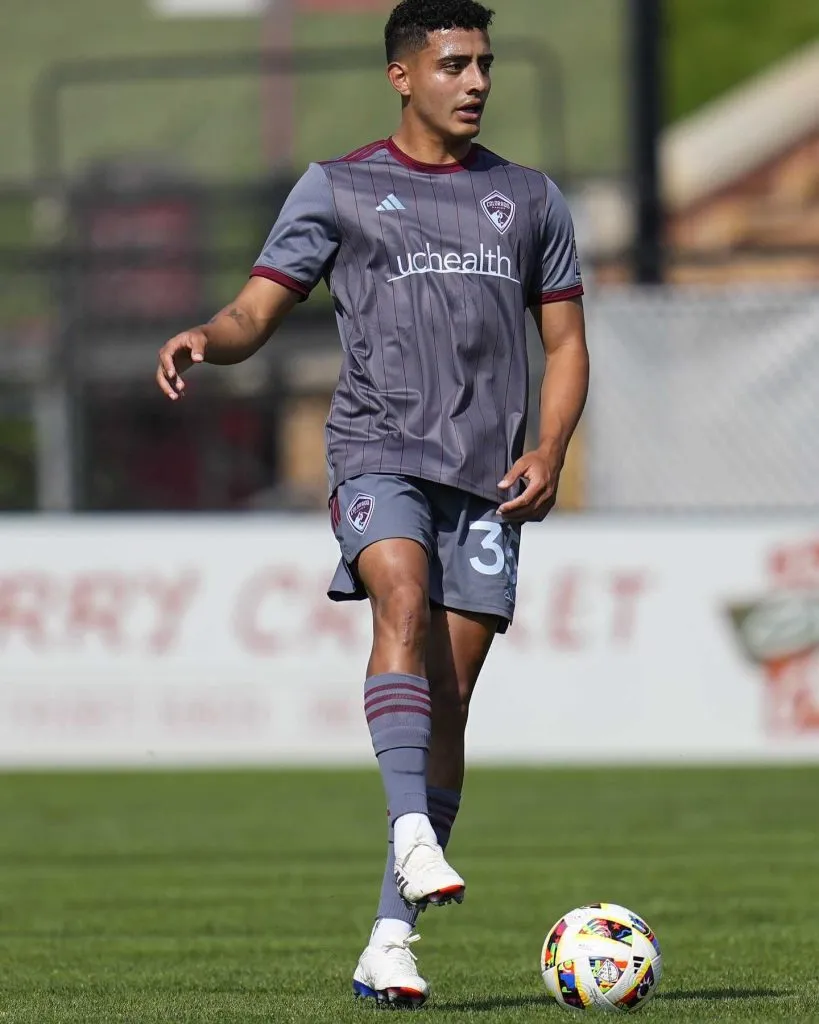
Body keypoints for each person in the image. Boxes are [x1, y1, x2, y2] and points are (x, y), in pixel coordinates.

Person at [156, 0, 589, 1009]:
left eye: (484, 64)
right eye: (453, 65)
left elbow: (565, 346)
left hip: (487, 478)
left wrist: (551, 448)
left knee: (453, 700)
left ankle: (390, 939)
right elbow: (256, 310)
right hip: (376, 451)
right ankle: (410, 834)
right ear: (403, 75)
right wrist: (204, 341)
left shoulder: (527, 199)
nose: (475, 82)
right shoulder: (339, 187)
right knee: (399, 596)